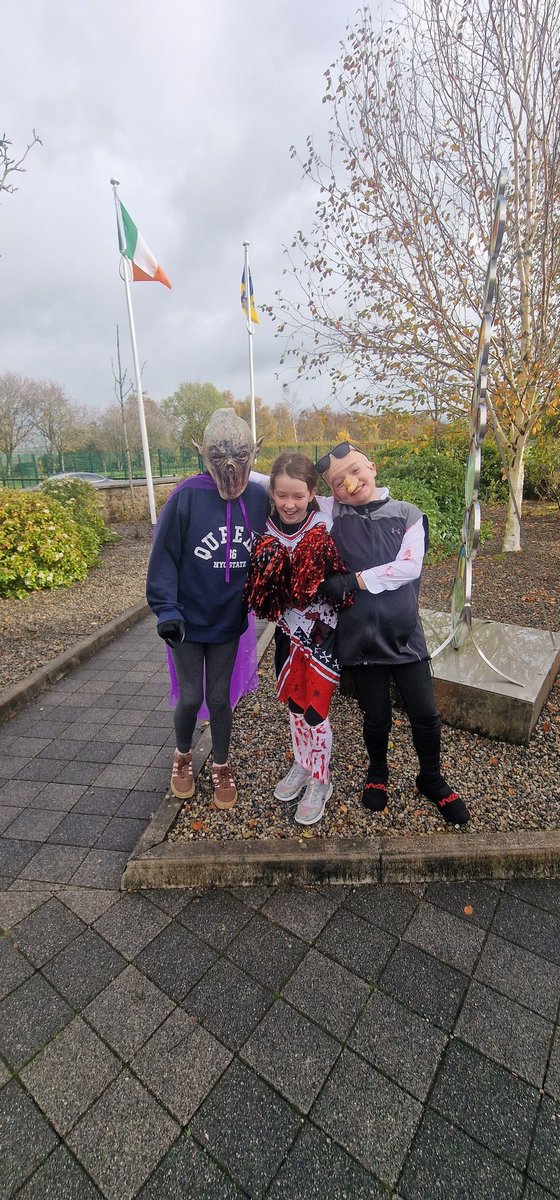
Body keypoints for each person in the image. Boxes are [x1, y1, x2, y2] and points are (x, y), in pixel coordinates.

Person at [315, 441, 470, 825]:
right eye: (337, 482)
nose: (349, 483)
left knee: (426, 714)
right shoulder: (333, 512)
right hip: (360, 641)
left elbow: (408, 567)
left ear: (372, 466)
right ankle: (378, 774)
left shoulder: (407, 514)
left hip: (404, 638)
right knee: (376, 716)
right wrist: (227, 464)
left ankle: (430, 778)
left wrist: (353, 581)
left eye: (354, 471)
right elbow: (282, 484)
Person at [146, 409, 269, 810]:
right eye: (219, 457)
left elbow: (294, 514)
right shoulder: (186, 497)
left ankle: (221, 763)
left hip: (228, 620)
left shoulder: (258, 497)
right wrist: (166, 609)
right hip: (186, 619)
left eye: (240, 456)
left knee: (219, 698)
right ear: (202, 454)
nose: (230, 467)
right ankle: (182, 755)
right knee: (189, 696)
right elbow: (163, 556)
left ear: (255, 452)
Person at [248, 452, 343, 826]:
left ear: (312, 494)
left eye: (298, 496)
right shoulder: (266, 526)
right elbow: (249, 477)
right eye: (282, 495)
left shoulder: (328, 520)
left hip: (322, 636)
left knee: (315, 711)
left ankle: (322, 779)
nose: (290, 504)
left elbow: (366, 493)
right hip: (286, 635)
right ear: (272, 492)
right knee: (292, 704)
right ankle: (303, 764)